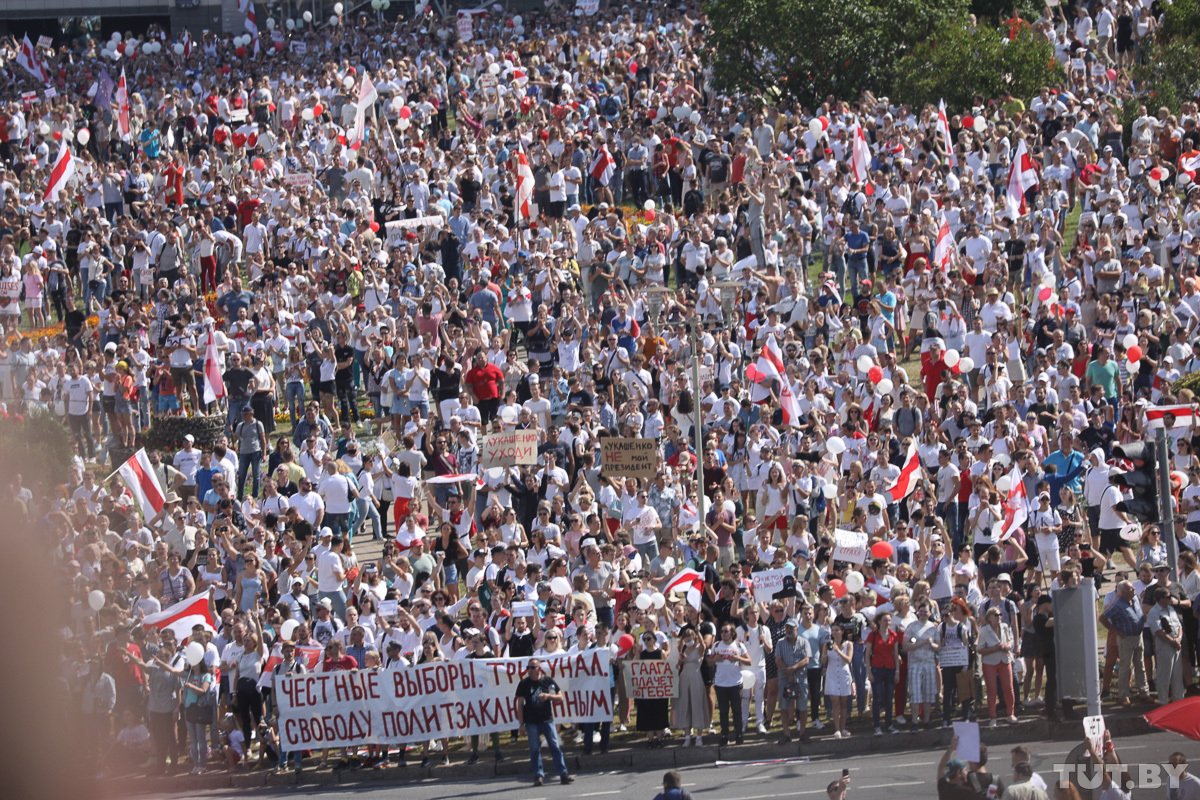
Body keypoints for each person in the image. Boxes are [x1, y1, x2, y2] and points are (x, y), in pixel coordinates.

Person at [514, 659, 573, 786]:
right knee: (534, 750)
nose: (529, 670)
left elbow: (560, 697)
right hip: (531, 722)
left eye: (532, 667)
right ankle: (538, 776)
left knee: (555, 747)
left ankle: (563, 774)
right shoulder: (524, 683)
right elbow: (519, 704)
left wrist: (548, 696)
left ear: (539, 669)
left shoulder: (547, 681)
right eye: (528, 667)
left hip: (547, 719)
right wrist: (521, 724)